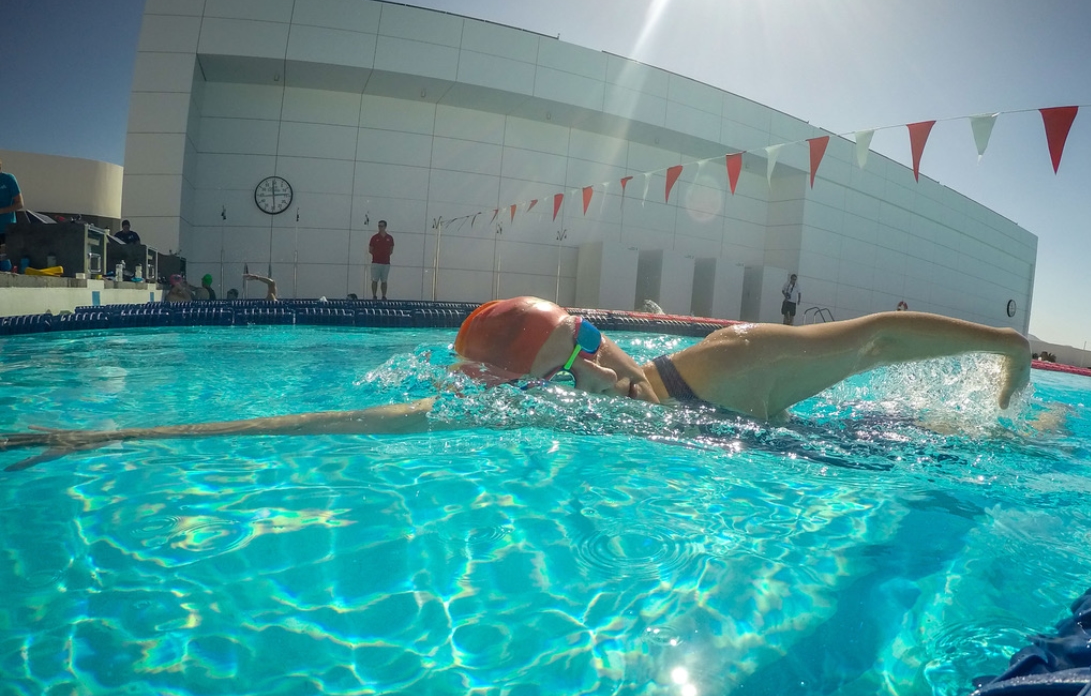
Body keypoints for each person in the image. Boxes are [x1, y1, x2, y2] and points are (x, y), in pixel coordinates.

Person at [0, 296, 1030, 470]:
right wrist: (115, 436)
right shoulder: (553, 411)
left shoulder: (731, 357)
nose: (606, 343)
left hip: (886, 445)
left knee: (1020, 436)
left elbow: (882, 333)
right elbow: (339, 418)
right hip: (806, 460)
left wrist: (1008, 347)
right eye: (584, 334)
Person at [0, 158, 25, 250]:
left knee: (5, 261)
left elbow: (20, 203)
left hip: (6, 229)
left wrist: (1, 211)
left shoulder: (8, 179)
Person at [368, 220, 394, 300]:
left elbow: (391, 250)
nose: (380, 228)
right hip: (376, 262)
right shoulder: (374, 237)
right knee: (374, 280)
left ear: (385, 227)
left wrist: (384, 255)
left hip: (386, 262)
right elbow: (370, 249)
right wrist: (377, 255)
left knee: (384, 280)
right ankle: (374, 295)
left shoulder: (389, 238)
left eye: (381, 226)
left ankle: (383, 296)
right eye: (379, 226)